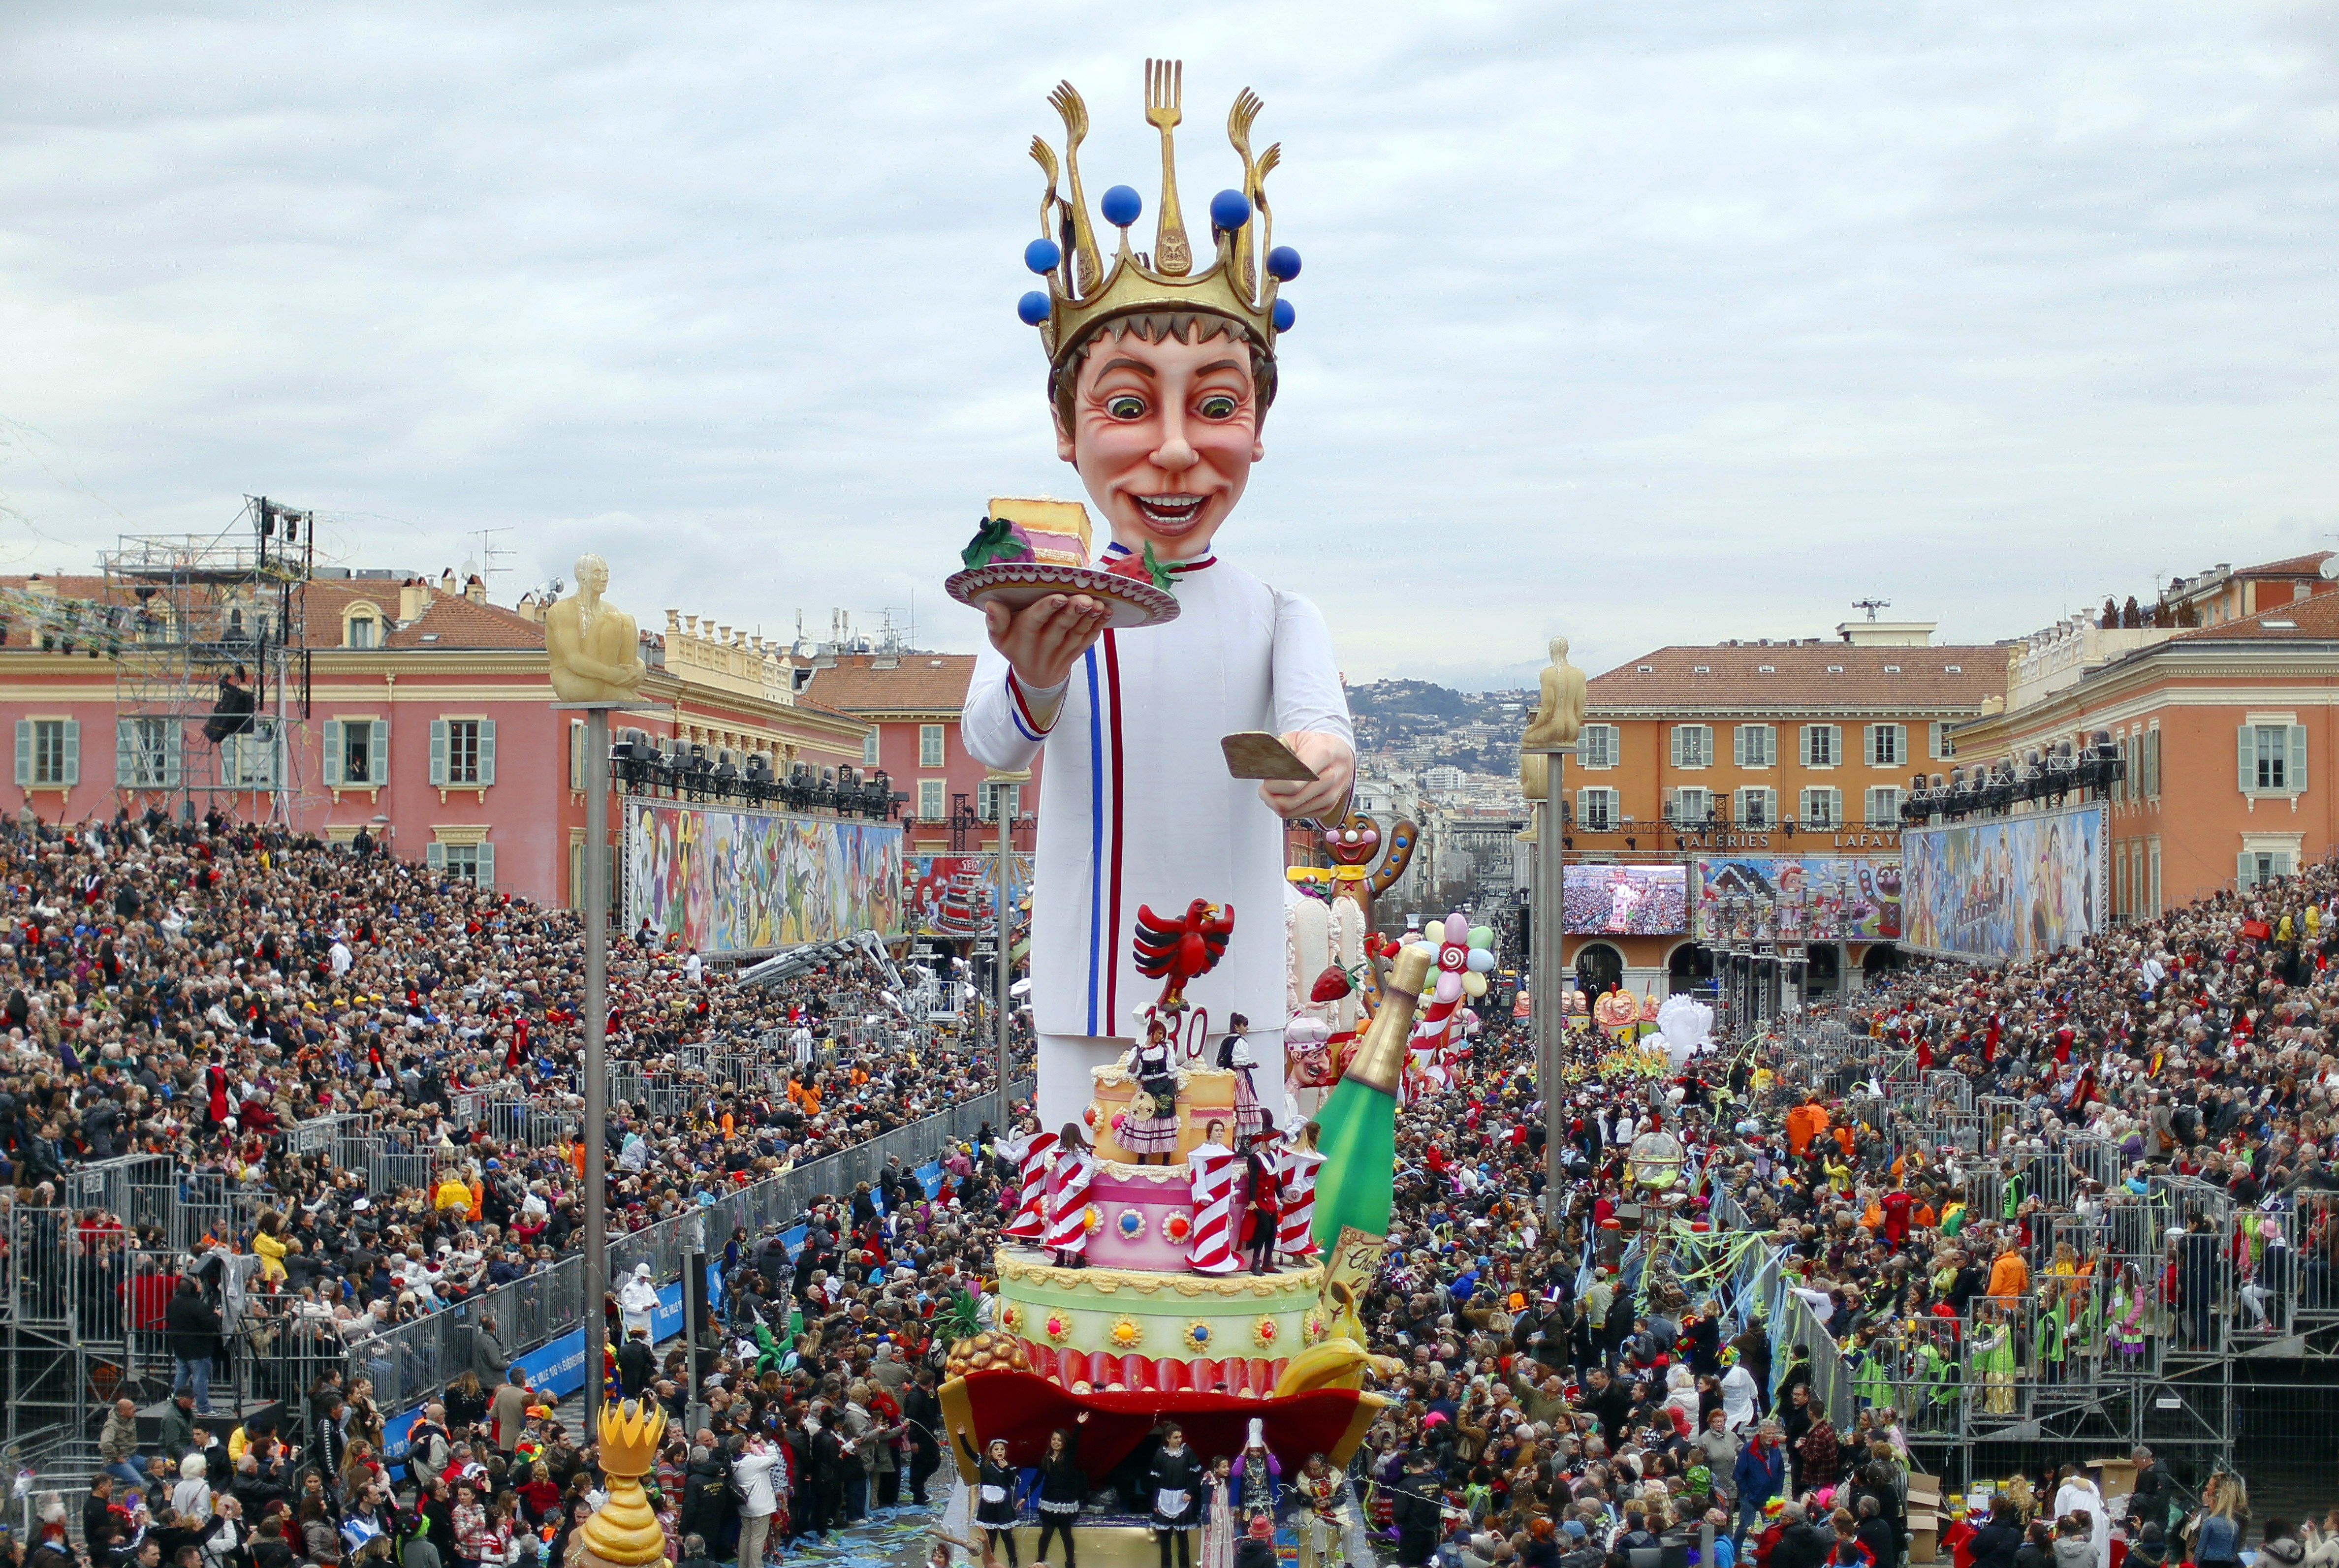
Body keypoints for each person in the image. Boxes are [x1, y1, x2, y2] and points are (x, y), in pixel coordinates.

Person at [965, 90, 1356, 1137]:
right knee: (1085, 1217)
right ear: (1066, 430)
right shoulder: (1045, 591)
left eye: (1217, 406)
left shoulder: (1281, 613)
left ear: (1260, 427)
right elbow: (995, 740)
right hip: (1085, 992)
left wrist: (1319, 761)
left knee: (1238, 1209)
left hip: (1240, 1000)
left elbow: (1326, 736)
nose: (1177, 449)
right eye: (1130, 407)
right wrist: (1037, 673)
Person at [959, 1431, 1022, 1568]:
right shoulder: (983, 1462)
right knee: (990, 1538)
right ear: (991, 1451)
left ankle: (1014, 1564)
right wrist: (962, 1436)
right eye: (996, 1449)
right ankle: (988, 1565)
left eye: (1002, 1449)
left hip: (1003, 1505)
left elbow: (1016, 1483)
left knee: (1007, 1537)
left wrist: (1006, 1469)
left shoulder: (1010, 1467)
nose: (999, 1451)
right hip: (988, 1505)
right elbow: (969, 1452)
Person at [1035, 1413, 1090, 1568]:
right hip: (1049, 1501)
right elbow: (1038, 1479)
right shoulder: (1046, 1457)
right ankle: (1039, 1562)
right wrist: (1025, 1497)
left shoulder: (1068, 1456)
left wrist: (1078, 1425)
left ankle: (1070, 1564)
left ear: (1064, 1442)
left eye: (1060, 1440)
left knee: (1066, 1535)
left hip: (1065, 1501)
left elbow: (1075, 1443)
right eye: (1054, 1439)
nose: (1056, 1442)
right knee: (1046, 1533)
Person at [166, 1280, 222, 1415]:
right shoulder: (198, 1307)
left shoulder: (173, 1303)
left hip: (179, 1347)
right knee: (199, 1379)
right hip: (198, 1350)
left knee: (181, 1376)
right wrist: (217, 1316)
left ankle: (176, 1407)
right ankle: (204, 1409)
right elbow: (209, 1325)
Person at [1150, 1425, 1204, 1568]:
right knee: (1166, 1540)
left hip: (1182, 1498)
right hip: (1165, 1498)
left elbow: (1195, 1475)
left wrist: (1189, 1492)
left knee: (1182, 1539)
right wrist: (1155, 1502)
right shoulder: (1161, 1454)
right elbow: (1155, 1479)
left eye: (1180, 1437)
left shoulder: (1187, 1452)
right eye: (1175, 1438)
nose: (1179, 1440)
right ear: (1168, 1438)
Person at [729, 1434, 780, 1568]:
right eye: (746, 1443)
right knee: (757, 1540)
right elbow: (774, 1458)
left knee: (745, 1536)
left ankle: (743, 1565)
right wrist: (762, 1442)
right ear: (741, 1449)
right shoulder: (751, 1461)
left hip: (745, 1506)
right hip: (760, 1506)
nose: (750, 1444)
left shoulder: (734, 1462)